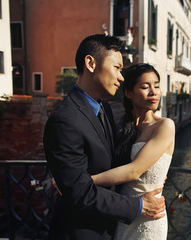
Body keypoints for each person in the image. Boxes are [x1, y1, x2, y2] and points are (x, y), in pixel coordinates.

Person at [43, 34, 165, 240]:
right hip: (81, 232)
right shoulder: (64, 120)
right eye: (117, 68)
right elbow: (80, 193)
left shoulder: (104, 109)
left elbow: (112, 160)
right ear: (90, 63)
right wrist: (139, 206)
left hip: (109, 228)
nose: (122, 77)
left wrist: (151, 173)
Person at [91, 63, 175, 240]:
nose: (154, 92)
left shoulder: (165, 125)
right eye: (145, 87)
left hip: (150, 217)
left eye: (157, 86)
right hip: (124, 212)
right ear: (129, 93)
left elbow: (135, 170)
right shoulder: (123, 128)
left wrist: (85, 182)